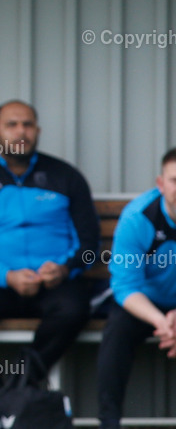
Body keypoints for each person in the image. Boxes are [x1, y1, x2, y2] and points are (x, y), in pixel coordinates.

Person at [0, 100, 100, 396]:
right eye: (12, 125)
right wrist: (7, 276)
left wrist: (65, 268)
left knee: (75, 307)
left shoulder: (66, 177)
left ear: (38, 130)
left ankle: (24, 382)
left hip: (53, 281)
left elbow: (90, 246)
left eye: (27, 125)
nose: (21, 132)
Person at [96, 148, 176, 429]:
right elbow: (125, 285)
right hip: (145, 303)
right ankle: (109, 422)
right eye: (175, 180)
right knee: (117, 330)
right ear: (161, 183)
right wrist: (161, 322)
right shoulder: (138, 218)